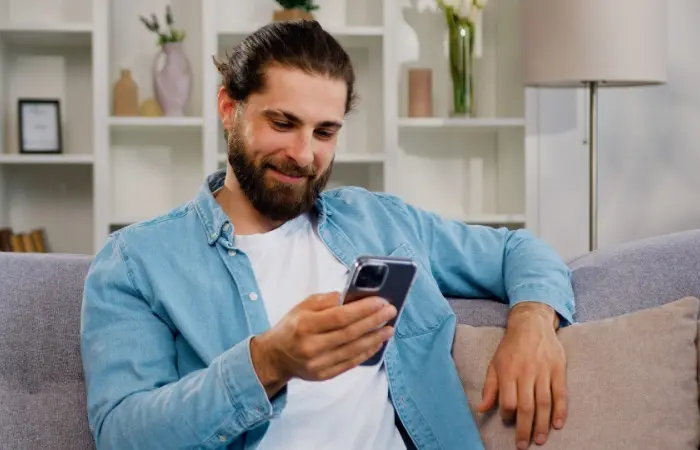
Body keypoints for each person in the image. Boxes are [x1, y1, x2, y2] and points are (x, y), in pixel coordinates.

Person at [80, 20, 575, 450]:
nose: (303, 153)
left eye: (324, 132)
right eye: (282, 122)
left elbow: (519, 250)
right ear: (229, 108)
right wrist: (268, 362)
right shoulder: (135, 262)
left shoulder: (377, 220)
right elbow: (123, 435)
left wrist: (532, 323)